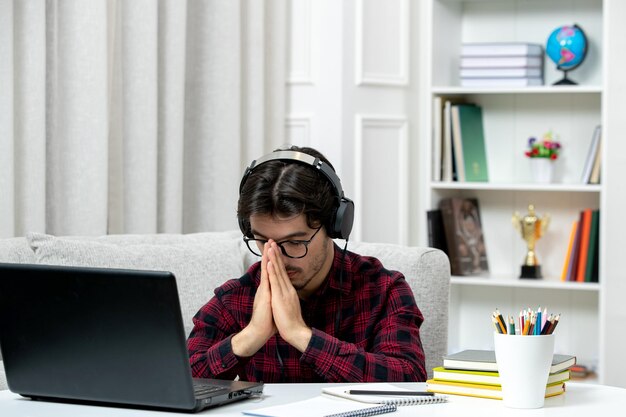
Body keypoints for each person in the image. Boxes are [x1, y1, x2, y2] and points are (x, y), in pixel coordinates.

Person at [187, 146, 426, 382]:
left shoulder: (384, 289)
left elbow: (409, 378)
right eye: (262, 240)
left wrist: (301, 335)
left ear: (334, 226)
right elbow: (178, 380)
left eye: (294, 242)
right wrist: (250, 336)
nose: (277, 256)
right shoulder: (237, 297)